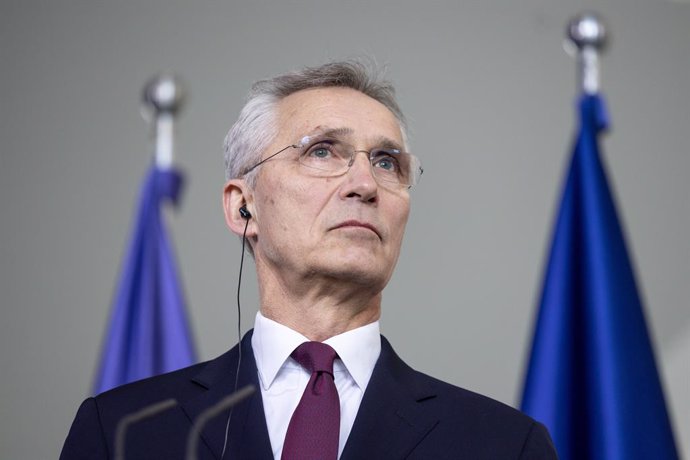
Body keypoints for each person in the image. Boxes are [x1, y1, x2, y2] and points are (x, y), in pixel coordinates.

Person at [61, 60, 557, 459]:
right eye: (322, 152)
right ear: (242, 205)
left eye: (387, 162)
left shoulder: (504, 444)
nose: (365, 184)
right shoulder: (124, 432)